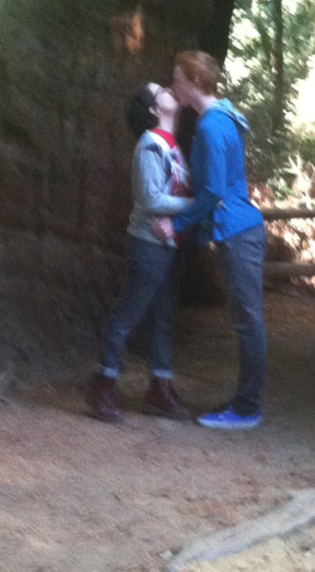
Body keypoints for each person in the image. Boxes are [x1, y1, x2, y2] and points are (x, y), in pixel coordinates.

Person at [166, 50, 267, 430]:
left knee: (247, 322)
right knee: (247, 320)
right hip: (238, 229)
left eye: (177, 79)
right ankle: (246, 402)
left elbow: (211, 192)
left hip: (237, 232)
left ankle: (246, 408)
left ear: (194, 81)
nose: (173, 85)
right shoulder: (222, 119)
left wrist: (177, 227)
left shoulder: (211, 126)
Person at [86, 83, 194, 425]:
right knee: (128, 315)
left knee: (163, 317)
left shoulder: (172, 146)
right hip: (148, 244)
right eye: (160, 89)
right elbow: (151, 199)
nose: (168, 89)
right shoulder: (150, 145)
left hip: (169, 243)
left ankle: (160, 389)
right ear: (153, 109)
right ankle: (102, 385)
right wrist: (197, 204)